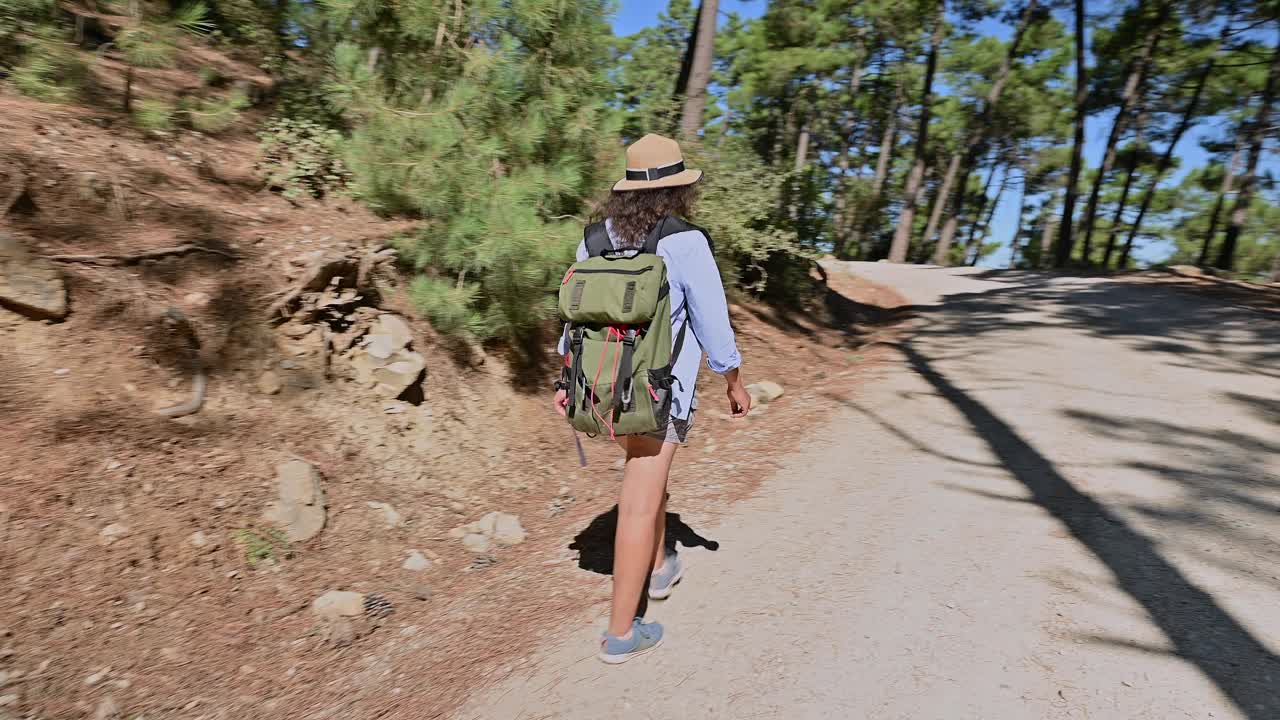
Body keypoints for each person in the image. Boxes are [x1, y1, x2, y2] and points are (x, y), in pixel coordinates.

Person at [554, 134, 752, 664]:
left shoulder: (595, 237)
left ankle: (661, 565)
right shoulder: (684, 240)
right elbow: (713, 321)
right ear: (678, 189)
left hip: (602, 385)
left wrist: (565, 377)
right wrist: (733, 380)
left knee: (648, 478)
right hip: (659, 390)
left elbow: (576, 313)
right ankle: (622, 633)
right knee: (640, 496)